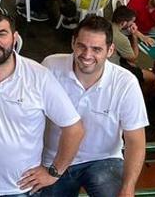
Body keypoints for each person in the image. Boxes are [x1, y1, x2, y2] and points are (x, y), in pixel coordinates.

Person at [0, 9, 83, 195]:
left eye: (2, 33)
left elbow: (74, 129)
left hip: (20, 189)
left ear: (15, 37)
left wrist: (54, 172)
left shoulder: (38, 76)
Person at [40, 17, 148, 197]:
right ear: (73, 43)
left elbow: (135, 140)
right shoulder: (50, 67)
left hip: (103, 159)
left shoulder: (126, 82)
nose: (87, 55)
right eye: (82, 46)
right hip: (54, 160)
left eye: (96, 49)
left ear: (110, 50)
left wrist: (128, 188)